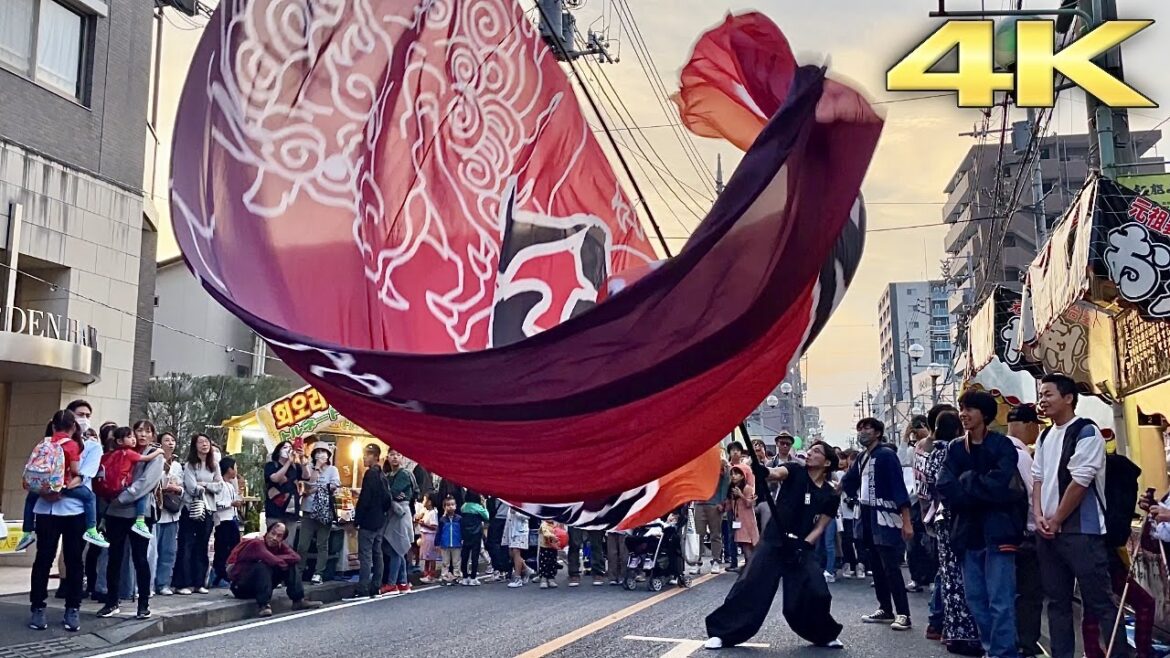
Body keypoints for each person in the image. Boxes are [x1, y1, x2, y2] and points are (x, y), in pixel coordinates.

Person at [704, 441, 844, 650]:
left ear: (827, 462)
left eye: (817, 451)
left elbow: (820, 527)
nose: (810, 454)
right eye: (811, 450)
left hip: (800, 547)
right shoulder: (796, 470)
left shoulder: (830, 494)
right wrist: (764, 471)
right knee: (750, 585)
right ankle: (723, 634)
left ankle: (824, 634)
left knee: (816, 590)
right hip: (774, 540)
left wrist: (804, 546)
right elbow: (776, 473)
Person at [1032, 374, 1129, 658]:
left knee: (1101, 603)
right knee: (1057, 603)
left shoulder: (1087, 432)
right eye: (1041, 393)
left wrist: (1057, 519)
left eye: (1048, 394)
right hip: (1048, 532)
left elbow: (1080, 481)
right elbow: (1037, 478)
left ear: (1068, 397)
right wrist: (1038, 514)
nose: (1043, 400)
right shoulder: (1045, 435)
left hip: (1082, 533)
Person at [937, 391, 1028, 658]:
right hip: (967, 533)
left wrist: (966, 482)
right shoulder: (954, 448)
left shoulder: (1002, 445)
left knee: (1001, 600)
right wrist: (977, 485)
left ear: (985, 414)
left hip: (1000, 532)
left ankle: (1003, 653)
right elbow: (944, 485)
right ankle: (991, 649)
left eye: (970, 409)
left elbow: (1003, 485)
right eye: (961, 409)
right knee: (975, 599)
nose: (963, 414)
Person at [27, 409, 100, 632]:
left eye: (86, 414)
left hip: (73, 512)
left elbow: (83, 476)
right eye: (79, 414)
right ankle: (37, 607)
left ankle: (72, 608)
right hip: (47, 510)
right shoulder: (45, 444)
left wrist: (56, 487)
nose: (83, 419)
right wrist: (49, 489)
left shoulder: (92, 446)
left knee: (74, 560)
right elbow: (35, 473)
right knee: (43, 559)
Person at [842, 417, 914, 631]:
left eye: (867, 428)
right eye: (860, 428)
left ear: (878, 432)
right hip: (866, 515)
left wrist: (906, 521)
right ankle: (885, 608)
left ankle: (903, 613)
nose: (862, 432)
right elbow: (849, 481)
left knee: (890, 566)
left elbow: (898, 487)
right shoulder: (864, 456)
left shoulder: (886, 455)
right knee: (876, 566)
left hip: (885, 515)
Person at [920, 411, 983, 655]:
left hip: (940, 517)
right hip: (956, 517)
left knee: (948, 576)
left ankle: (952, 631)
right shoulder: (953, 450)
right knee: (961, 574)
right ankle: (967, 633)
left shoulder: (932, 452)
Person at [96, 423, 165, 620]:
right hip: (116, 512)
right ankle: (112, 601)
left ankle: (143, 603)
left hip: (139, 512)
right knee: (114, 557)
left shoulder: (155, 455)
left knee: (140, 558)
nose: (142, 435)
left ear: (152, 435)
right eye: (139, 431)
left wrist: (121, 498)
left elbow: (146, 483)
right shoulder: (122, 452)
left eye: (147, 431)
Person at [19, 411, 107, 552]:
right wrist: (76, 475)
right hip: (64, 485)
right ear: (73, 427)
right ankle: (92, 530)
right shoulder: (72, 445)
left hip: (41, 484)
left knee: (30, 501)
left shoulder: (45, 442)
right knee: (89, 497)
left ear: (53, 427)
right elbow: (75, 470)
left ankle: (27, 533)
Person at [1006, 404, 1044, 658]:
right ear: (1031, 425)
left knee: (1006, 593)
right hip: (1025, 536)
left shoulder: (994, 449)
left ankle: (1009, 642)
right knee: (1029, 594)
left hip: (1000, 536)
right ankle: (1027, 645)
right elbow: (1033, 497)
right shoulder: (1021, 455)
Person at [228, 522, 323, 618]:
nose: (274, 538)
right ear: (267, 533)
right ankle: (264, 605)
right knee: (263, 565)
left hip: (260, 586)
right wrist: (281, 559)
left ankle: (298, 600)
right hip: (241, 587)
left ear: (282, 539)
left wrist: (280, 559)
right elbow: (272, 560)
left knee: (291, 565)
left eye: (279, 536)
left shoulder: (280, 546)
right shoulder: (256, 543)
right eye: (273, 533)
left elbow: (296, 557)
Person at [174, 433, 224, 595]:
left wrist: (205, 485)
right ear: (194, 446)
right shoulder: (190, 465)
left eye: (206, 441)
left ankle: (199, 582)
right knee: (187, 545)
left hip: (208, 508)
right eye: (200, 442)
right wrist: (208, 486)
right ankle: (184, 583)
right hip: (191, 508)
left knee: (202, 546)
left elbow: (220, 486)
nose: (204, 444)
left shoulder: (214, 465)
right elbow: (191, 487)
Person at [296, 444, 341, 585]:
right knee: (303, 544)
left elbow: (335, 485)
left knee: (323, 543)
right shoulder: (309, 467)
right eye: (318, 452)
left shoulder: (333, 469)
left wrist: (316, 489)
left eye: (324, 452)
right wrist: (316, 468)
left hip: (325, 510)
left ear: (328, 455)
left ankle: (318, 573)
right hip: (308, 510)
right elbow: (309, 482)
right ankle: (298, 571)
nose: (321, 455)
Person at [350, 444, 389, 599]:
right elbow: (387, 499)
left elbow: (365, 499)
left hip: (368, 520)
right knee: (377, 553)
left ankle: (363, 588)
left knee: (365, 555)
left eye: (366, 455)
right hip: (380, 519)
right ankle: (376, 586)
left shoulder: (370, 474)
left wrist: (357, 519)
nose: (363, 458)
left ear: (374, 456)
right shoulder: (382, 475)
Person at [153, 431, 184, 596]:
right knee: (152, 551)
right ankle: (149, 583)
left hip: (172, 513)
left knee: (168, 551)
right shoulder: (155, 460)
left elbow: (182, 486)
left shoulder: (178, 465)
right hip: (157, 513)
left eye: (173, 440)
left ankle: (163, 583)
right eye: (167, 440)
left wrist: (177, 489)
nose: (171, 443)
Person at [382, 448, 416, 594]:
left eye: (398, 455)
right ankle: (402, 582)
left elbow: (391, 491)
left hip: (401, 512)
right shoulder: (389, 475)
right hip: (393, 512)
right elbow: (389, 493)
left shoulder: (404, 474)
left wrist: (390, 493)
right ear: (387, 457)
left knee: (397, 547)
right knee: (397, 547)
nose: (394, 458)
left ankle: (392, 583)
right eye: (392, 455)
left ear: (402, 457)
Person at [211, 457, 244, 588]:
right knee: (222, 550)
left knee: (234, 548)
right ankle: (218, 575)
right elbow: (217, 504)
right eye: (235, 467)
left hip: (232, 519)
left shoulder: (230, 485)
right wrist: (230, 503)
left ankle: (228, 573)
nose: (236, 470)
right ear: (229, 469)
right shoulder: (220, 485)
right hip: (222, 520)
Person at [692, 457, 728, 575]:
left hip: (714, 503)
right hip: (699, 502)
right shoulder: (696, 462)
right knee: (698, 535)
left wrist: (721, 501)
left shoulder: (720, 462)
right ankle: (697, 562)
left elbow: (725, 482)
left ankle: (716, 560)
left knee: (715, 534)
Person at [263, 440, 303, 544]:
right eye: (284, 447)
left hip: (291, 510)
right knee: (273, 542)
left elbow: (306, 476)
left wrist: (304, 460)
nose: (288, 449)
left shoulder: (296, 467)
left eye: (290, 447)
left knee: (288, 544)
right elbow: (275, 478)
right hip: (275, 510)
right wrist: (288, 462)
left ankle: (286, 560)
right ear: (278, 451)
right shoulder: (271, 465)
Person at [727, 465, 759, 565]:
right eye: (732, 474)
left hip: (748, 521)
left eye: (736, 474)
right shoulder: (732, 489)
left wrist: (741, 495)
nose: (733, 476)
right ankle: (749, 567)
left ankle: (750, 568)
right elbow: (730, 506)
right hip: (739, 520)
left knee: (749, 545)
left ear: (742, 476)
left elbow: (750, 504)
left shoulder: (747, 488)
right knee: (745, 545)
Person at [460, 492, 489, 585]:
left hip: (465, 534)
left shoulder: (464, 506)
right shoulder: (478, 507)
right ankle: (473, 578)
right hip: (476, 534)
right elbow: (487, 516)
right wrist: (484, 505)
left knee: (465, 555)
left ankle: (465, 577)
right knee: (475, 556)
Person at [436, 495, 462, 584]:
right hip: (445, 544)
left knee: (456, 562)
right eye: (448, 505)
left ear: (456, 506)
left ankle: (456, 576)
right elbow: (439, 532)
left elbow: (462, 531)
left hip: (456, 543)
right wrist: (437, 543)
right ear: (444, 507)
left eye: (452, 504)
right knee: (445, 562)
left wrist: (462, 540)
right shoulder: (442, 520)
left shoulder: (459, 519)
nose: (450, 506)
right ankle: (444, 576)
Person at [537, 519, 561, 588]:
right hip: (544, 547)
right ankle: (543, 579)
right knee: (544, 563)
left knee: (552, 562)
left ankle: (551, 578)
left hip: (553, 547)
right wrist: (553, 536)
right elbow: (545, 533)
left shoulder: (556, 524)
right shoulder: (544, 524)